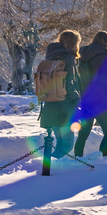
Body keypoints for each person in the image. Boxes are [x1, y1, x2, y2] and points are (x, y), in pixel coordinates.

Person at [37, 30, 83, 158]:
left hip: (51, 103)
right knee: (67, 145)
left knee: (60, 143)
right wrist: (77, 98)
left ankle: (50, 169)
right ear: (74, 43)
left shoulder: (51, 55)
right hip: (65, 106)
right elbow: (70, 82)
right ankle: (49, 168)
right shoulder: (68, 57)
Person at [73, 31, 107, 157]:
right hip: (100, 99)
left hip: (85, 99)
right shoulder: (104, 56)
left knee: (83, 134)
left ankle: (77, 158)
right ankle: (102, 158)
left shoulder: (82, 55)